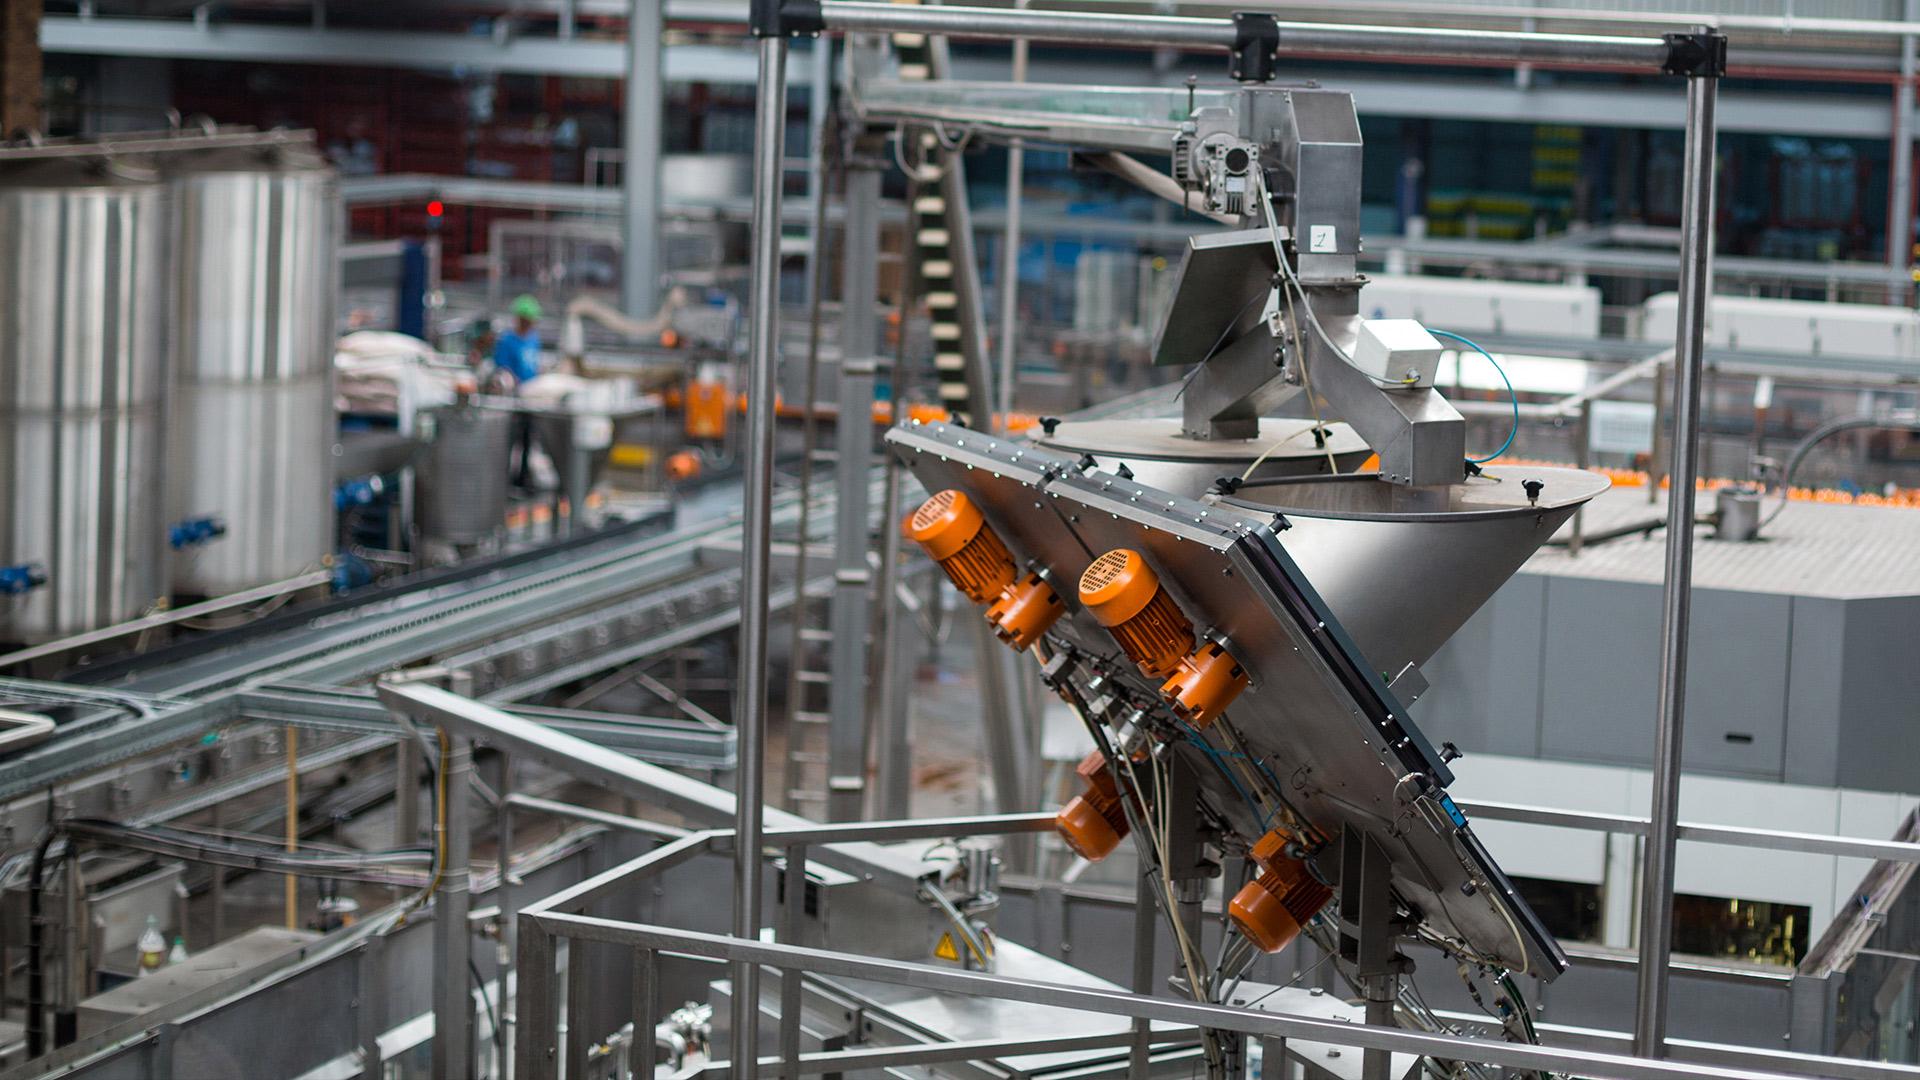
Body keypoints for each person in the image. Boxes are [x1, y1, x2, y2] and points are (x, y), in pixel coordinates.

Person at [494, 294, 545, 387]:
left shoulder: (534, 339)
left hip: (532, 385)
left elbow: (534, 364)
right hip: (515, 388)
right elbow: (503, 367)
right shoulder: (507, 340)